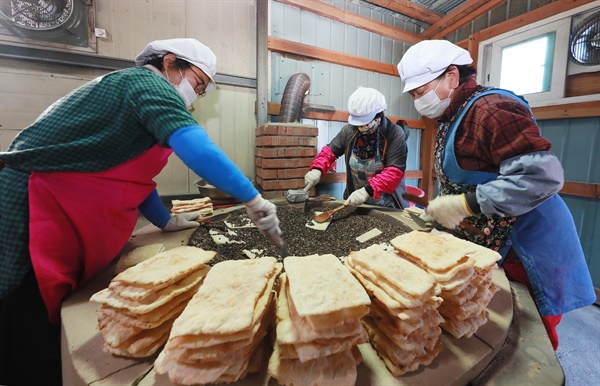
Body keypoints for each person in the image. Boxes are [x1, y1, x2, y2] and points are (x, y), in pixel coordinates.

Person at [0, 38, 281, 385]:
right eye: (198, 84)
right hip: (33, 201)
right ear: (170, 63)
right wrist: (253, 199)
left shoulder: (131, 93)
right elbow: (196, 147)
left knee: (37, 318)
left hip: (60, 202)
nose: (197, 95)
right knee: (25, 312)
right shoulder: (145, 83)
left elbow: (135, 176)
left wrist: (165, 220)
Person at [397, 39, 596, 350]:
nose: (418, 101)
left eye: (420, 92)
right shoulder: (453, 116)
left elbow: (543, 176)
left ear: (451, 76)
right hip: (495, 241)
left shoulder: (492, 109)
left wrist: (465, 204)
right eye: (413, 95)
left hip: (530, 244)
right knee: (491, 330)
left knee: (529, 342)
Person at [303, 87, 410, 209]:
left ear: (378, 115)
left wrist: (366, 191)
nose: (361, 127)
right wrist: (317, 169)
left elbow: (393, 173)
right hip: (356, 201)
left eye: (365, 123)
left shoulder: (395, 134)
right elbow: (330, 151)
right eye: (358, 124)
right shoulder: (349, 130)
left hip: (387, 205)